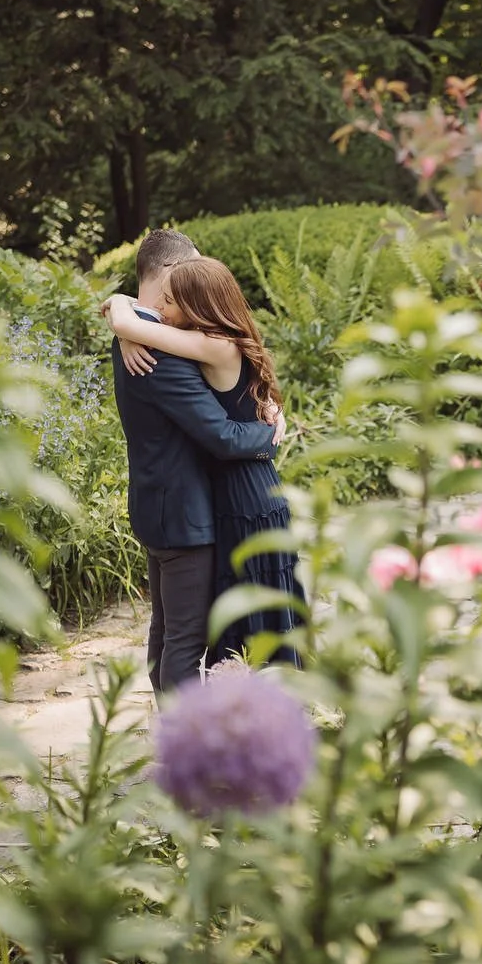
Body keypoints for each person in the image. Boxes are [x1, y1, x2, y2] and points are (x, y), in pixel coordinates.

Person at [104, 255, 307, 669]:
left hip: (244, 494)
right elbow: (133, 321)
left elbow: (130, 322)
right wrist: (120, 311)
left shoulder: (209, 343)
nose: (163, 312)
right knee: (245, 616)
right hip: (243, 489)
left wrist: (124, 322)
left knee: (253, 616)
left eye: (173, 303)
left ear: (198, 307)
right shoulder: (223, 336)